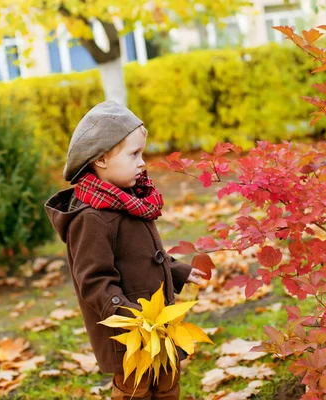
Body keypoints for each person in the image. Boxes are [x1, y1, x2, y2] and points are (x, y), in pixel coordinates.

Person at [45, 100, 206, 399]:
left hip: (159, 321)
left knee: (168, 381)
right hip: (129, 331)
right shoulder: (91, 219)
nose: (142, 162)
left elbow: (142, 256)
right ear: (102, 159)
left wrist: (177, 270)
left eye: (141, 153)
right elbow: (94, 283)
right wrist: (131, 317)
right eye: (134, 154)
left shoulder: (128, 199)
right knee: (137, 389)